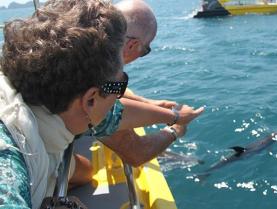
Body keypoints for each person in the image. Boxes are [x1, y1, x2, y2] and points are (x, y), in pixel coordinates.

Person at [0, 1, 203, 208]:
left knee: (85, 170)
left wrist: (170, 115)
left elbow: (113, 114)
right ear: (90, 100)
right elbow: (131, 144)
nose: (118, 98)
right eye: (119, 87)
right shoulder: (8, 162)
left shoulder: (35, 86)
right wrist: (177, 129)